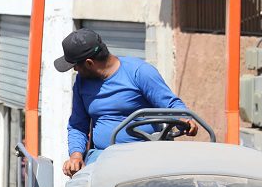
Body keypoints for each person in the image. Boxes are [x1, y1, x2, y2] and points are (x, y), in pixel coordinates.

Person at [54, 28, 199, 177]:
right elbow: (78, 124)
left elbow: (171, 105)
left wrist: (184, 118)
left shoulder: (139, 72)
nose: (75, 70)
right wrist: (76, 156)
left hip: (145, 155)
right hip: (102, 157)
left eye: (76, 65)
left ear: (89, 63)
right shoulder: (81, 82)